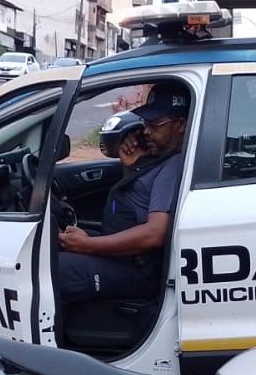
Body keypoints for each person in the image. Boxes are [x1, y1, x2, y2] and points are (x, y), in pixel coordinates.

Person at [56, 84, 190, 302]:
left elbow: (155, 233)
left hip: (138, 269)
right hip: (127, 257)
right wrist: (131, 168)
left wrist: (88, 245)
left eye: (156, 125)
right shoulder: (158, 160)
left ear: (181, 125)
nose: (146, 131)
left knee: (53, 268)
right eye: (146, 123)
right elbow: (138, 203)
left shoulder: (173, 167)